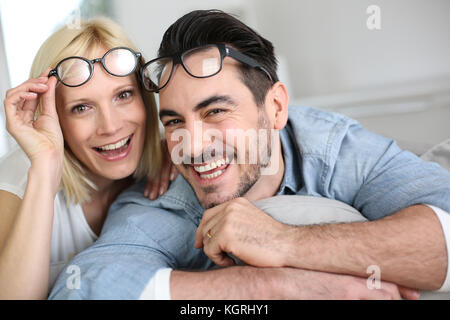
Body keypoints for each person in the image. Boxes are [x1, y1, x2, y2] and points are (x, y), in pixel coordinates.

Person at [49, 10, 450, 300]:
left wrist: (284, 244)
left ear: (275, 108)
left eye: (215, 111)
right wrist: (271, 286)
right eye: (173, 122)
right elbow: (84, 286)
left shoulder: (334, 148)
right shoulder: (160, 199)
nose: (195, 144)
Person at [0, 17, 177, 299]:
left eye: (124, 95)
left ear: (144, 98)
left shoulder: (169, 155)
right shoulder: (17, 182)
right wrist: (44, 170)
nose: (110, 126)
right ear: (54, 117)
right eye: (82, 107)